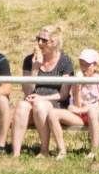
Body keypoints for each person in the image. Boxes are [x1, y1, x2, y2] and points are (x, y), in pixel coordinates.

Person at [11, 26, 75, 157]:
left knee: (40, 106)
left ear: (54, 42)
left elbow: (63, 95)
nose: (39, 43)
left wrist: (42, 98)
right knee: (21, 106)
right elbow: (27, 91)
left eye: (44, 40)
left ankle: (44, 150)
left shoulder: (65, 62)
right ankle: (15, 154)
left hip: (54, 102)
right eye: (38, 39)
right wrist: (35, 69)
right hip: (33, 99)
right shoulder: (29, 60)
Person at [53, 48, 99, 155]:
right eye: (81, 64)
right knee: (53, 113)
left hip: (98, 116)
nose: (83, 68)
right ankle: (61, 151)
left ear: (95, 65)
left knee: (92, 112)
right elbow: (76, 105)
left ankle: (94, 151)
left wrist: (84, 109)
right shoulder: (77, 79)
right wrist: (77, 87)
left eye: (87, 65)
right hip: (80, 116)